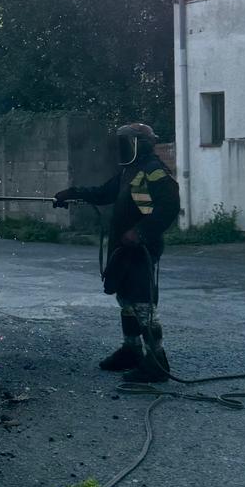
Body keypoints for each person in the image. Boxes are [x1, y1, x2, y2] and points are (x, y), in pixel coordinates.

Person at [54, 123, 180, 383]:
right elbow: (104, 193)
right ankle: (131, 350)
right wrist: (71, 194)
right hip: (124, 248)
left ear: (139, 144)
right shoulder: (129, 171)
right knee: (126, 301)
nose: (120, 148)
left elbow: (169, 206)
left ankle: (157, 362)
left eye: (125, 143)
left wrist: (141, 232)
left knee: (142, 303)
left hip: (142, 249)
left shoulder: (154, 171)